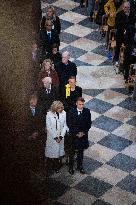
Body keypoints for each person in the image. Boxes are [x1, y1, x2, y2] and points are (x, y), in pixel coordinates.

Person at [66, 97, 92, 175]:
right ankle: (71, 167)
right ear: (76, 104)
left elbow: (89, 123)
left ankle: (80, 166)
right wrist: (77, 133)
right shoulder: (71, 112)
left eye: (82, 104)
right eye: (80, 104)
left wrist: (83, 132)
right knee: (72, 152)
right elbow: (69, 124)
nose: (81, 106)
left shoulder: (87, 111)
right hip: (73, 136)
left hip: (83, 136)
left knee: (81, 152)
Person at [45, 101, 68, 173]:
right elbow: (48, 127)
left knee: (58, 153)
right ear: (55, 108)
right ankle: (51, 166)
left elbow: (65, 126)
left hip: (60, 136)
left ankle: (57, 165)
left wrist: (61, 136)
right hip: (52, 137)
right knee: (51, 152)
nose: (61, 109)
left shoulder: (64, 113)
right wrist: (55, 137)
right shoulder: (49, 114)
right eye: (59, 108)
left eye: (61, 108)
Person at [114, 1, 135, 65]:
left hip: (128, 34)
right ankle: (116, 59)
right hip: (120, 33)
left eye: (128, 8)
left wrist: (128, 29)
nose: (127, 9)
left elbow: (132, 23)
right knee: (118, 46)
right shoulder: (119, 14)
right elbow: (117, 25)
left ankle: (127, 60)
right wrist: (124, 29)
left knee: (130, 46)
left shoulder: (132, 14)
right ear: (123, 7)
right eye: (125, 7)